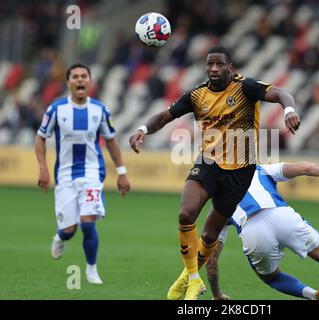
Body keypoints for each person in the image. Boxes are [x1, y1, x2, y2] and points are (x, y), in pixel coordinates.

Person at [129, 46, 301, 300]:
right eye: (210, 64)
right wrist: (143, 129)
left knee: (210, 235)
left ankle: (187, 278)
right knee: (186, 213)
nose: (213, 69)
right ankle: (195, 279)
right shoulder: (197, 95)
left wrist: (289, 110)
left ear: (230, 68)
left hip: (240, 171)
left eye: (219, 64)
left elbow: (282, 94)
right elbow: (166, 116)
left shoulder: (246, 88)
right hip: (208, 164)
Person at [205, 161, 319, 300]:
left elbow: (211, 260)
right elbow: (303, 167)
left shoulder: (218, 205)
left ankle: (313, 295)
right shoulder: (260, 169)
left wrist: (217, 294)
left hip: (253, 231)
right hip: (280, 215)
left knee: (272, 278)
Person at [35, 63, 130, 284]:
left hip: (92, 174)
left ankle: (91, 269)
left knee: (88, 223)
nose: (79, 80)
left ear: (89, 81)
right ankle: (61, 236)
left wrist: (122, 172)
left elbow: (111, 140)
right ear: (68, 82)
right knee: (70, 229)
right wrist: (42, 167)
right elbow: (40, 138)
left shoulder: (100, 110)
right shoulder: (56, 109)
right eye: (75, 76)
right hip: (65, 177)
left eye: (83, 76)